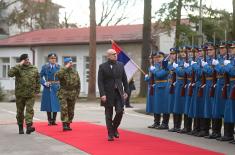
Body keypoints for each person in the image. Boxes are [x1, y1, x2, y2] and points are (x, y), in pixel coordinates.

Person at [98, 49, 129, 141]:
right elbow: (100, 82)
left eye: (116, 54)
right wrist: (102, 94)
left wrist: (126, 91)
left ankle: (114, 128)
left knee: (120, 112)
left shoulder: (120, 65)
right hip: (107, 94)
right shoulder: (102, 66)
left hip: (119, 93)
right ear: (108, 56)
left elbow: (124, 79)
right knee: (108, 114)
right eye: (113, 54)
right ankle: (110, 134)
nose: (115, 55)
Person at [8, 54, 40, 134]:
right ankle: (20, 127)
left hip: (30, 94)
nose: (27, 61)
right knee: (20, 112)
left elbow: (38, 80)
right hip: (20, 94)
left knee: (29, 110)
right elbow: (10, 74)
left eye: (28, 59)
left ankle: (29, 127)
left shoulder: (34, 68)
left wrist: (37, 90)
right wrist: (19, 65)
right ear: (22, 61)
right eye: (25, 60)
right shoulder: (18, 68)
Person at [56, 57, 80, 131]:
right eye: (69, 62)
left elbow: (78, 83)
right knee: (64, 109)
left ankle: (68, 123)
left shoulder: (75, 72)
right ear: (66, 63)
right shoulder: (62, 71)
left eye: (71, 62)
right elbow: (57, 75)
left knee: (71, 110)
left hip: (72, 93)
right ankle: (64, 124)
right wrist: (65, 68)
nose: (71, 64)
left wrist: (77, 94)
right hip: (63, 92)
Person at [40, 53, 60, 126]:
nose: (53, 60)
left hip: (56, 87)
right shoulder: (45, 67)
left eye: (54, 58)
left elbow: (62, 77)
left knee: (56, 103)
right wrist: (44, 83)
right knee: (48, 104)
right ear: (49, 59)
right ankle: (49, 120)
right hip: (48, 87)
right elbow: (39, 77)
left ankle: (54, 120)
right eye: (52, 58)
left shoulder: (59, 67)